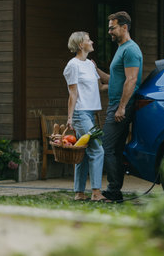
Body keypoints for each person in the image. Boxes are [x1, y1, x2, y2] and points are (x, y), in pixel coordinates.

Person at [95, 11, 143, 202]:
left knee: (107, 146)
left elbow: (131, 81)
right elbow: (114, 80)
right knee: (113, 147)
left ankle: (114, 191)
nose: (109, 32)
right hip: (116, 103)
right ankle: (115, 191)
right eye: (108, 28)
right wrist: (95, 69)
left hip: (121, 105)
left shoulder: (130, 49)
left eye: (112, 28)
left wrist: (122, 107)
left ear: (124, 27)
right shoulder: (122, 49)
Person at [63, 31, 107, 202]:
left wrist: (124, 84)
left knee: (84, 152)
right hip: (80, 114)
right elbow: (72, 94)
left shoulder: (90, 64)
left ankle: (79, 193)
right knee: (97, 149)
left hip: (90, 113)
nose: (92, 41)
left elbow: (100, 87)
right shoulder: (72, 65)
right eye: (89, 40)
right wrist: (70, 118)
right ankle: (96, 192)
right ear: (81, 45)